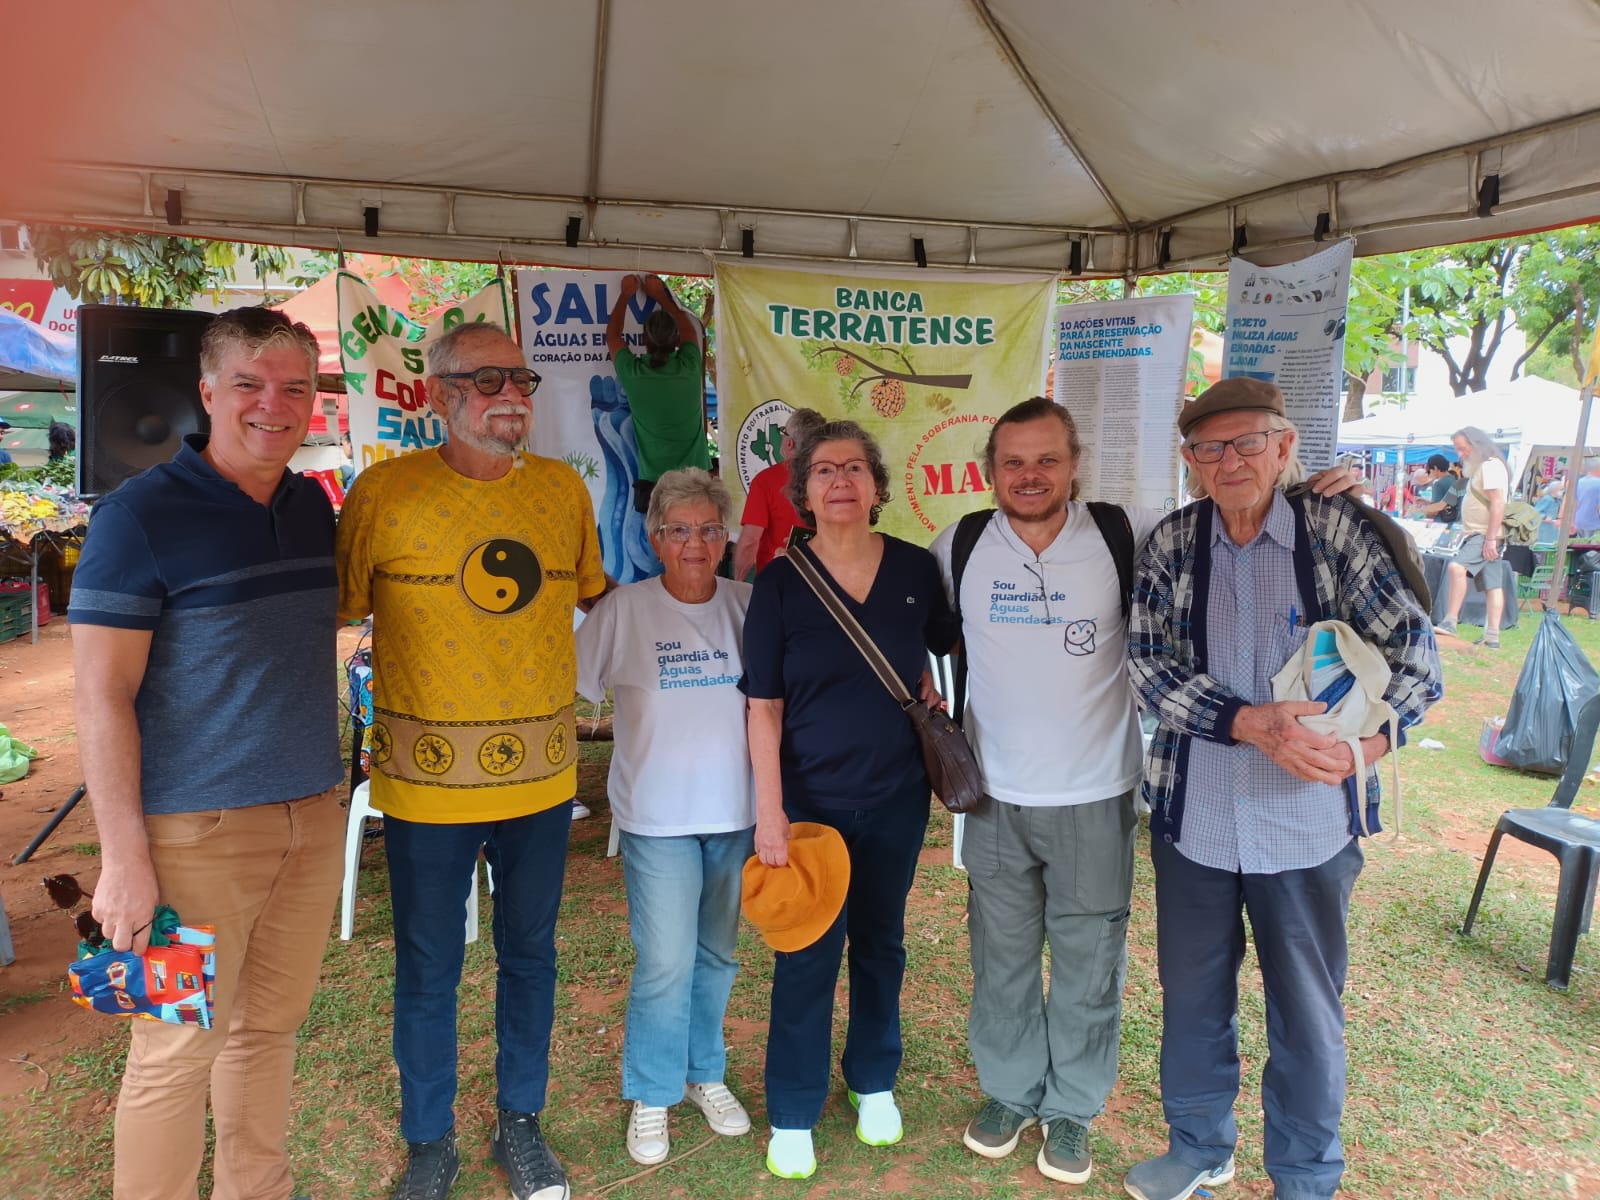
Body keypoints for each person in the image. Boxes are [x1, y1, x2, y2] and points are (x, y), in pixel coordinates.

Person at [931, 396, 1368, 1186]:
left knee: (1090, 958)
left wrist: (1310, 493)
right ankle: (1007, 1090)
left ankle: (1071, 1108)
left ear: (1075, 466)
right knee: (998, 957)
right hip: (992, 796)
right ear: (988, 471)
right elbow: (911, 626)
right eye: (1013, 463)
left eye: (1047, 461)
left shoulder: (1127, 532)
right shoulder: (957, 543)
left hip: (1098, 791)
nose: (1030, 477)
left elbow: (1235, 499)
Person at [1123, 377, 1442, 1200]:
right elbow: (1148, 664)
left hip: (1306, 824)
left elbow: (1415, 655)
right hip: (1195, 815)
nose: (1229, 461)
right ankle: (1199, 1147)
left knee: (1306, 1009)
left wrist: (1369, 745)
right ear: (1190, 462)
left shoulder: (1336, 533)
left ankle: (1304, 1174)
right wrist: (1247, 722)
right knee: (1192, 996)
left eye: (1247, 443)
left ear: (1286, 447)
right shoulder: (1172, 542)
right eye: (1207, 448)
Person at [68, 306, 345, 1200]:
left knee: (270, 1031)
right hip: (194, 837)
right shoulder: (138, 517)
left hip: (311, 822)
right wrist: (123, 860)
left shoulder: (311, 508)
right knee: (176, 1048)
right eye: (250, 385)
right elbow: (101, 695)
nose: (275, 404)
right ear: (207, 393)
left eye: (295, 387)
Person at [337, 321, 607, 1200]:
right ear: (438, 394)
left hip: (540, 780)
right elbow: (338, 621)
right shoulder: (380, 494)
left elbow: (589, 598)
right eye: (488, 378)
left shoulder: (565, 492)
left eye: (520, 377)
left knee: (530, 956)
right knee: (428, 969)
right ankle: (430, 1143)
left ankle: (519, 1125)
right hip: (423, 788)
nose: (512, 393)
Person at [741, 418, 959, 1180]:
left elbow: (937, 648)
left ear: (876, 485)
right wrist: (770, 812)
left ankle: (873, 1080)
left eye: (855, 468)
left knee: (881, 945)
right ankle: (794, 1108)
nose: (840, 481)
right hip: (808, 808)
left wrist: (929, 683)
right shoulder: (778, 583)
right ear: (802, 492)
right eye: (824, 470)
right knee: (805, 952)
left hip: (897, 796)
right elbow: (762, 705)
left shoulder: (911, 569)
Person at [577, 468, 755, 1167]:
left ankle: (704, 1073)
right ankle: (653, 1091)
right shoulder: (624, 611)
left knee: (718, 954)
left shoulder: (747, 605)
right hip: (656, 817)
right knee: (665, 961)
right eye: (678, 529)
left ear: (726, 538)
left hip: (736, 812)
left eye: (708, 529)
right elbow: (575, 682)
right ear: (654, 539)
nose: (694, 543)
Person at [606, 273, 709, 516]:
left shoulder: (635, 374)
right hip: (696, 481)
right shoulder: (690, 367)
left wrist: (625, 295)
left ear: (643, 340)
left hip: (656, 485)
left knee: (663, 548)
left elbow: (612, 336)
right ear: (676, 340)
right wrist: (661, 295)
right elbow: (687, 327)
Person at [1433, 426, 1509, 648]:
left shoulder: (1491, 466)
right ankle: (1493, 637)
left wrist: (1490, 539)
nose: (1460, 455)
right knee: (1492, 586)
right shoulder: (1482, 468)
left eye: (1463, 449)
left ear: (1477, 445)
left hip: (1484, 534)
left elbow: (1498, 503)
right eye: (1458, 449)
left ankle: (1450, 621)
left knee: (1456, 568)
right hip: (1484, 534)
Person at [733, 406, 826, 581]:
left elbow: (749, 542)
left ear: (789, 443)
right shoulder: (831, 479)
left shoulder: (765, 481)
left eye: (783, 432)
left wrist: (738, 582)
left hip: (776, 579)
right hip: (823, 579)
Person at [1410, 454, 1464, 523]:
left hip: (1441, 523)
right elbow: (1444, 503)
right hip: (1454, 521)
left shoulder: (1438, 484)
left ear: (1435, 468)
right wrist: (1427, 502)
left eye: (1430, 471)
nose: (1430, 474)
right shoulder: (1453, 479)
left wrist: (1417, 513)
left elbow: (1434, 511)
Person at [1570, 456, 1600, 537]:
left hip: (1578, 523)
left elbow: (1573, 504)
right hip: (1595, 525)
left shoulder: (1579, 482)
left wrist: (1572, 521)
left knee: (1581, 547)